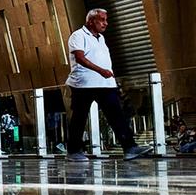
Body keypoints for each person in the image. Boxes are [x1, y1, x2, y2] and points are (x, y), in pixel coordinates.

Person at [65, 8, 152, 161]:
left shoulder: (101, 38)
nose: (106, 23)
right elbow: (79, 58)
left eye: (106, 20)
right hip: (83, 84)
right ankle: (73, 151)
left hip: (105, 84)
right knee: (79, 117)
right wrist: (101, 70)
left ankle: (130, 147)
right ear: (91, 21)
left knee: (117, 115)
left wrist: (109, 77)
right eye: (102, 20)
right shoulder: (78, 35)